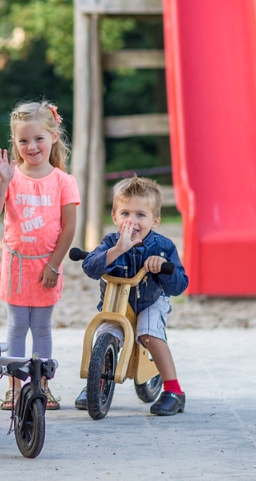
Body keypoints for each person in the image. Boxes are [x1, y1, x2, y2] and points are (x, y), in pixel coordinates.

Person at [0, 101, 79, 411]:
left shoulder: (64, 181)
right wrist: (3, 181)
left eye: (38, 138)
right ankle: (14, 388)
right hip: (16, 267)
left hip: (46, 268)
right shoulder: (11, 176)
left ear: (53, 136)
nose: (31, 146)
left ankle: (41, 387)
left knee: (41, 327)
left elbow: (68, 230)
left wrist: (54, 265)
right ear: (15, 142)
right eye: (23, 140)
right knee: (15, 326)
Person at [76, 175, 189, 416]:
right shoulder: (111, 242)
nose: (132, 221)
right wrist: (117, 251)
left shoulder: (163, 246)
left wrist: (163, 265)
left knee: (149, 333)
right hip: (118, 302)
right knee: (107, 334)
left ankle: (174, 390)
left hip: (151, 301)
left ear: (155, 220)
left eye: (140, 215)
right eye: (125, 213)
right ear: (114, 217)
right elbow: (90, 267)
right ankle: (95, 383)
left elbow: (178, 286)